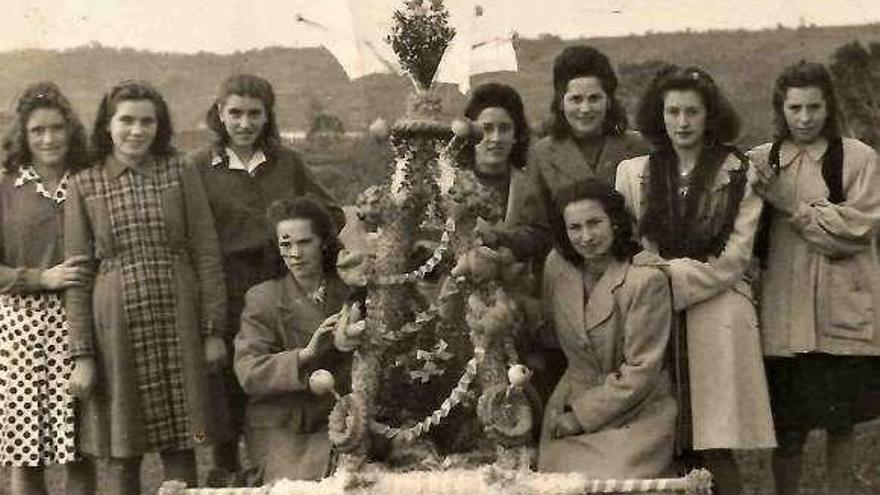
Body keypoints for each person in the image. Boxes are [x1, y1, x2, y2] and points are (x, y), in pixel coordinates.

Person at [615, 66, 776, 494]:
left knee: (716, 440)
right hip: (656, 313)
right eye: (673, 112)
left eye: (693, 112)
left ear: (710, 115)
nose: (682, 123)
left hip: (719, 306)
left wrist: (666, 275)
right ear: (659, 115)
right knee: (663, 437)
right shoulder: (635, 173)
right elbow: (629, 247)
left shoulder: (739, 171)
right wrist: (654, 283)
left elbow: (735, 258)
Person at [65, 80, 228, 494]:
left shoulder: (179, 170)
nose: (137, 131)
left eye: (147, 122)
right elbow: (78, 275)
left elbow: (206, 251)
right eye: (127, 121)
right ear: (107, 125)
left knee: (180, 442)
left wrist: (212, 331)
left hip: (179, 319)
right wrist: (81, 354)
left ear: (160, 126)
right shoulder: (85, 184)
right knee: (124, 451)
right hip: (115, 327)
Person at [187, 74, 345, 476]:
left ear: (267, 116)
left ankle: (280, 463)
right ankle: (228, 474)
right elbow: (194, 240)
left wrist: (301, 243)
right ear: (219, 113)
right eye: (235, 113)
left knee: (282, 384)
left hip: (278, 286)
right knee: (225, 393)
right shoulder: (198, 167)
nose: (244, 123)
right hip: (226, 289)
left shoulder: (286, 163)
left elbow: (330, 213)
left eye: (254, 114)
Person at [749, 61, 880, 495]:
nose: (804, 118)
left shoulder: (858, 158)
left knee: (841, 426)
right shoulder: (761, 163)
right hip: (781, 322)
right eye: (795, 108)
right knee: (788, 430)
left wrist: (793, 204)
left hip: (840, 319)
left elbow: (855, 233)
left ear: (829, 107)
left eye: (814, 107)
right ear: (780, 109)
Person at [537, 179, 676, 479]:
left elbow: (642, 370)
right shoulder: (558, 267)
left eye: (595, 223)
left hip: (636, 413)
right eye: (575, 227)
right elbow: (548, 328)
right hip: (568, 404)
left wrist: (582, 417)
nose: (586, 237)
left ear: (615, 222)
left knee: (611, 480)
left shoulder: (645, 280)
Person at [0, 82, 95, 495]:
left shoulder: (88, 182)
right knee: (26, 454)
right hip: (20, 330)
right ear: (23, 135)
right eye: (37, 130)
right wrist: (40, 278)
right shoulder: (5, 189)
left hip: (81, 327)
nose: (48, 138)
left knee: (81, 450)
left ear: (70, 130)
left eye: (56, 128)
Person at [234, 197, 353, 483]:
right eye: (286, 245)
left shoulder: (349, 291)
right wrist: (303, 357)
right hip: (283, 423)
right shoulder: (263, 298)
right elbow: (249, 370)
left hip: (339, 415)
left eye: (304, 242)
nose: (295, 253)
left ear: (324, 242)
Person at [505, 45, 650, 262]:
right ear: (561, 102)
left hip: (632, 267)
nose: (585, 109)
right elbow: (536, 228)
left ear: (609, 101)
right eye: (576, 99)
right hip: (569, 270)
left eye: (594, 98)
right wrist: (503, 242)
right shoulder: (542, 154)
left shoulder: (639, 147)